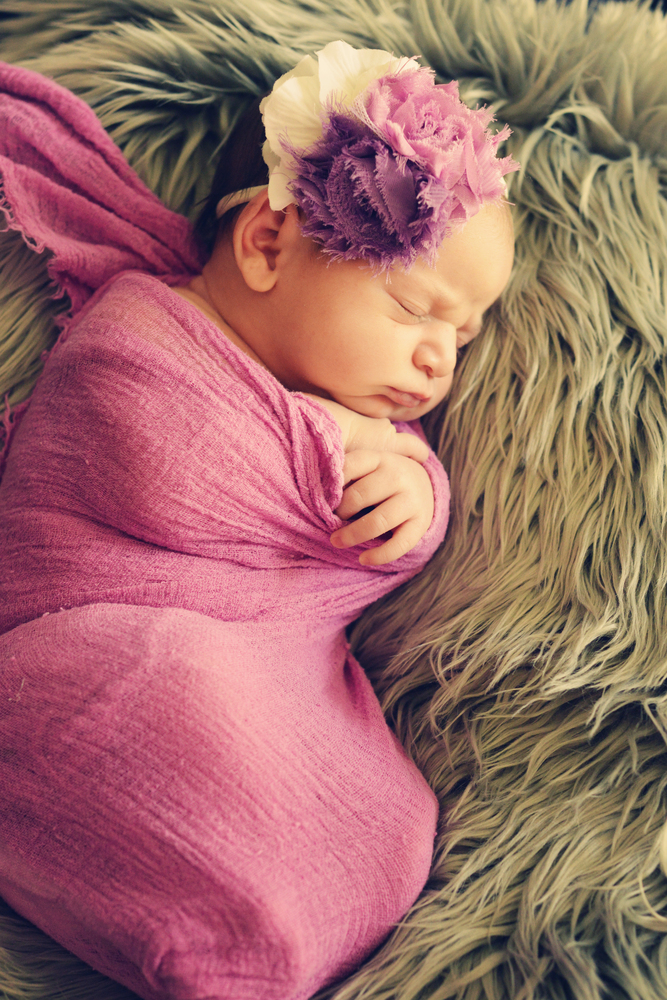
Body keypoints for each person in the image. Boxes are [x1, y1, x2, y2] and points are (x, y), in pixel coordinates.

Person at [0, 42, 517, 1000]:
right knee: (171, 686)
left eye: (463, 332)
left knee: (393, 819)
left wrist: (415, 497)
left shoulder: (372, 422)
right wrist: (333, 443)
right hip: (82, 647)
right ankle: (219, 932)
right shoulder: (139, 333)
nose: (439, 358)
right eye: (414, 306)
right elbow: (165, 475)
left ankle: (257, 926)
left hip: (273, 670)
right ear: (268, 245)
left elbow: (380, 546)